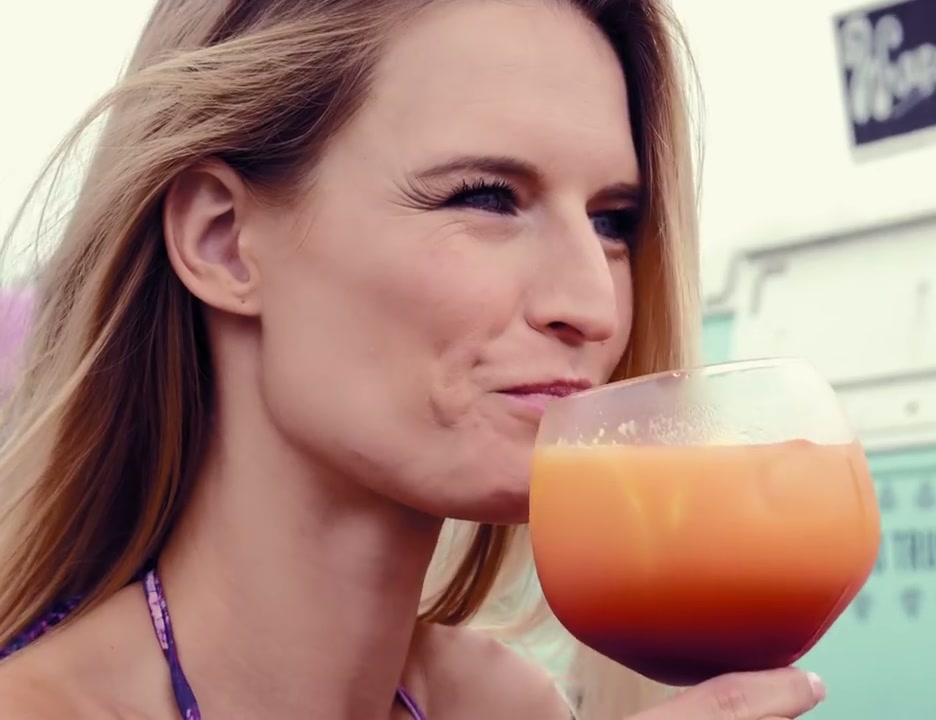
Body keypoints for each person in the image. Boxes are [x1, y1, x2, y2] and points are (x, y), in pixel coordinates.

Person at [0, 0, 829, 718]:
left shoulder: (511, 707)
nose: (594, 306)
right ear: (222, 240)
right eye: (487, 197)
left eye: (612, 221)